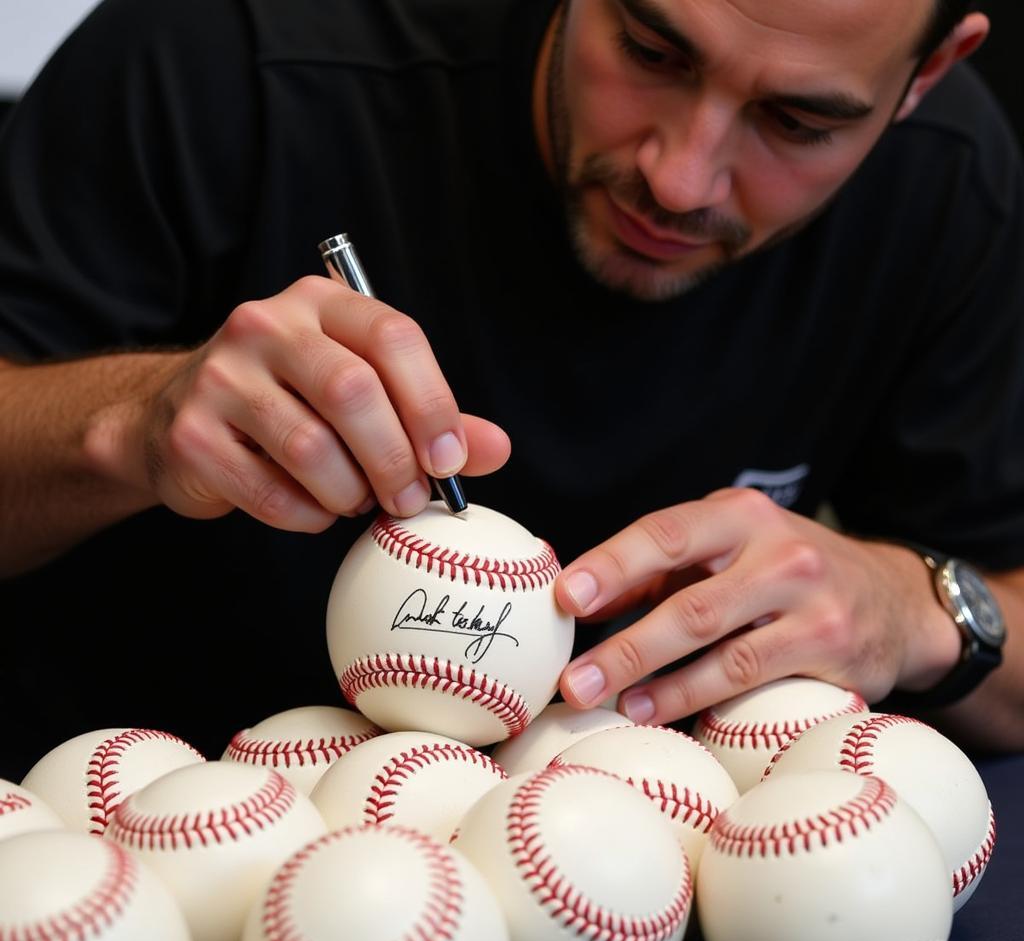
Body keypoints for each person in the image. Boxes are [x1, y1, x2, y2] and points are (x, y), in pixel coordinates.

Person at [1, 0, 1022, 779]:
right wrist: (130, 428)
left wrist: (915, 606)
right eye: (651, 51)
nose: (681, 178)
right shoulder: (226, 50)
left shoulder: (946, 179)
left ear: (925, 72)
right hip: (119, 845)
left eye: (798, 121)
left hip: (630, 900)